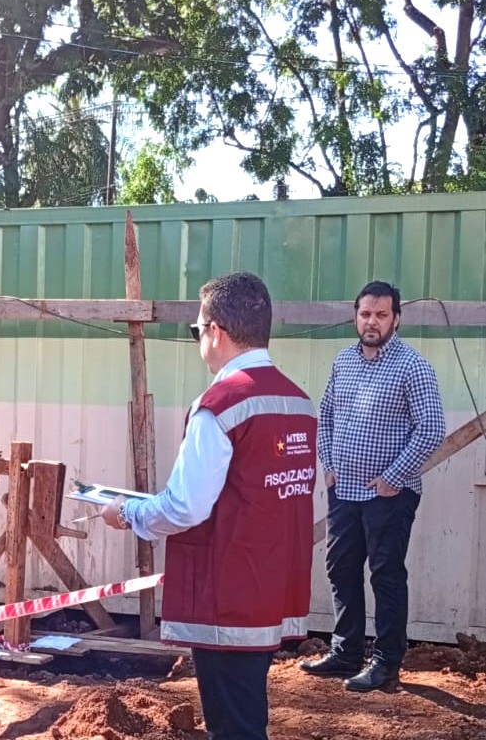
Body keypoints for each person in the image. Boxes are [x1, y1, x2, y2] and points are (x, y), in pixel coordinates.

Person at [100, 271, 317, 740]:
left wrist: (128, 513)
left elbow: (186, 507)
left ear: (216, 331)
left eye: (197, 329)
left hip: (227, 596)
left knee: (234, 727)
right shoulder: (297, 402)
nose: (198, 337)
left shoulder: (218, 405)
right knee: (246, 715)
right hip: (271, 588)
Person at [300, 280, 445, 692]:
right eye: (365, 314)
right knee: (341, 566)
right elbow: (326, 416)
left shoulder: (412, 366)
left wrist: (393, 478)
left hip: (390, 495)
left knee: (385, 575)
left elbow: (432, 428)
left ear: (396, 319)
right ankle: (346, 652)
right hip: (344, 490)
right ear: (355, 317)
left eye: (381, 314)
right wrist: (329, 465)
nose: (372, 322)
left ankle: (386, 663)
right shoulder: (344, 360)